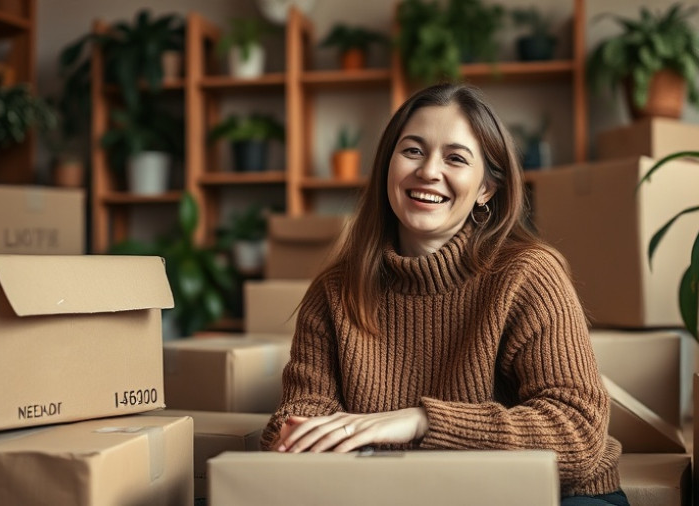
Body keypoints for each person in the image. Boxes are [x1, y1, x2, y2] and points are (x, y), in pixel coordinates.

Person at [260, 83, 628, 505]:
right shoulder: (335, 292)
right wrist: (297, 434)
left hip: (547, 496)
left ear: (486, 189)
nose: (428, 171)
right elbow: (292, 425)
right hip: (401, 495)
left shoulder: (528, 274)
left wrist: (420, 422)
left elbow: (576, 433)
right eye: (413, 151)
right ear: (387, 167)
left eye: (455, 158)